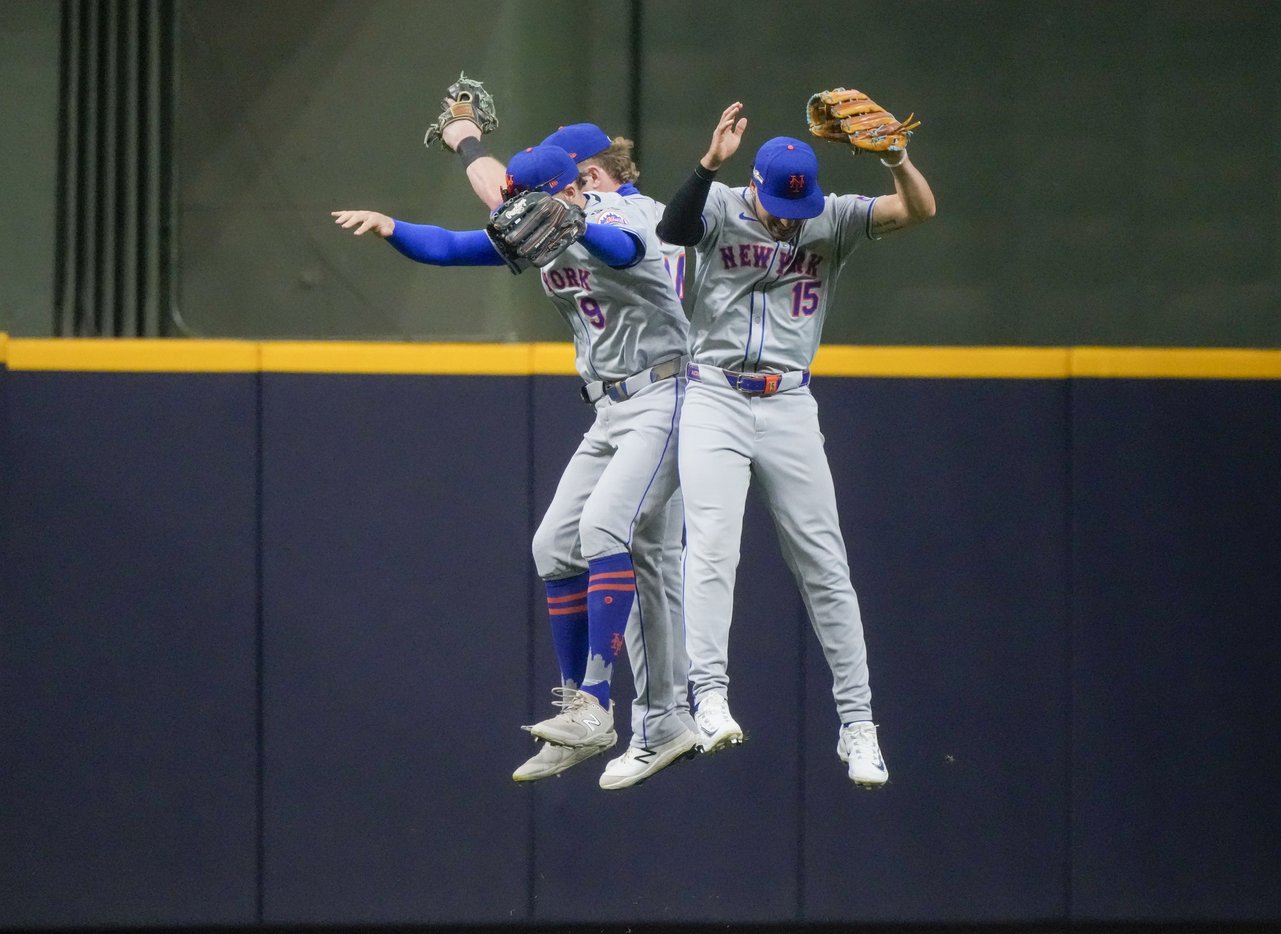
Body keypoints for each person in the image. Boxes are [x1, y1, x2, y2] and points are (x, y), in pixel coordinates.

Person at [333, 142, 698, 790]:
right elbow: (448, 248)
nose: (520, 214)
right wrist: (392, 229)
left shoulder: (627, 216)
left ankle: (598, 702)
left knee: (607, 530)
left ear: (576, 185)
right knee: (553, 546)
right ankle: (577, 714)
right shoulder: (543, 224)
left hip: (666, 394)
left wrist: (577, 222)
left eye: (534, 201)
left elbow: (622, 252)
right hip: (610, 408)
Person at [655, 101, 937, 787]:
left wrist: (898, 158)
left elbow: (919, 211)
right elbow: (674, 226)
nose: (790, 216)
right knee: (713, 547)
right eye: (781, 203)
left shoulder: (829, 216)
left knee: (825, 565)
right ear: (755, 184)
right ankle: (710, 697)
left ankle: (860, 724)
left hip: (787, 401)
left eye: (798, 205)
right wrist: (706, 164)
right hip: (716, 393)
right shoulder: (720, 203)